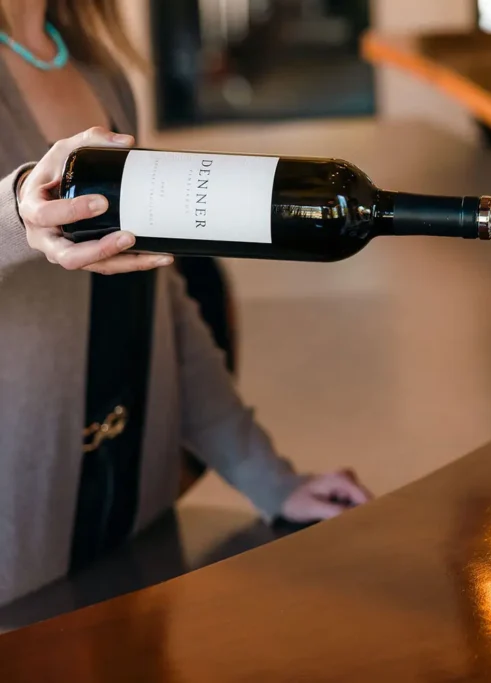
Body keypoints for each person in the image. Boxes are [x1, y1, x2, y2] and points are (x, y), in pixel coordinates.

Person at [0, 0, 370, 605]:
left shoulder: (102, 74)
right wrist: (18, 210)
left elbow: (161, 305)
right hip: (16, 554)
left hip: (133, 521)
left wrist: (269, 480)